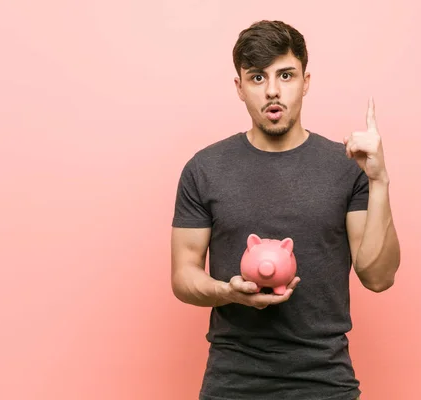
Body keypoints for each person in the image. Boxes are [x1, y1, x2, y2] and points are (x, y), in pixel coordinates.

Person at [170, 19, 401, 400]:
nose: (273, 91)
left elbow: (378, 277)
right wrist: (228, 291)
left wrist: (380, 181)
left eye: (286, 75)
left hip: (326, 382)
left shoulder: (346, 166)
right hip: (232, 382)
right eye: (257, 78)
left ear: (306, 82)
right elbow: (183, 276)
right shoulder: (204, 169)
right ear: (239, 88)